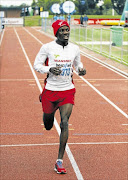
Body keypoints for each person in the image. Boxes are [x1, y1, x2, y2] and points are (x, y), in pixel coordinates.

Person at [33, 20, 86, 174]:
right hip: (51, 90)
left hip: (67, 90)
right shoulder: (47, 47)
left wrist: (81, 70)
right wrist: (49, 68)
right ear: (56, 32)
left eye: (67, 30)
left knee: (64, 122)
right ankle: (45, 102)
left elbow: (78, 65)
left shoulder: (75, 48)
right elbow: (37, 65)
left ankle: (59, 161)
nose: (65, 33)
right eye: (62, 30)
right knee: (48, 125)